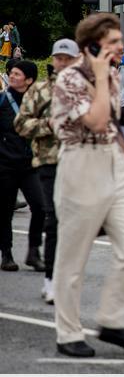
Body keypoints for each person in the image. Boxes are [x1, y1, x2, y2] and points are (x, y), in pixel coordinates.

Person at [50, 13, 124, 358]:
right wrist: (103, 78)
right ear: (92, 45)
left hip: (114, 161)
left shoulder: (114, 75)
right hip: (81, 163)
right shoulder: (69, 79)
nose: (122, 47)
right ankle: (68, 332)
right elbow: (94, 120)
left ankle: (112, 320)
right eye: (115, 42)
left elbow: (112, 125)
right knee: (73, 259)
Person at [14, 40, 79, 303]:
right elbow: (21, 124)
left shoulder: (84, 90)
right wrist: (48, 125)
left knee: (76, 222)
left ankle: (69, 275)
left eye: (68, 58)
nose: (63, 63)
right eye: (59, 58)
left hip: (79, 162)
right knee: (54, 218)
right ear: (53, 60)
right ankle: (51, 279)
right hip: (49, 161)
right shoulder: (40, 91)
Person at [0, 60, 46, 273]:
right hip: (5, 165)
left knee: (40, 206)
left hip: (30, 166)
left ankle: (33, 251)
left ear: (29, 80)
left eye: (18, 74)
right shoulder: (2, 101)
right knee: (5, 211)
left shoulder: (36, 103)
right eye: (12, 73)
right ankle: (7, 255)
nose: (12, 76)